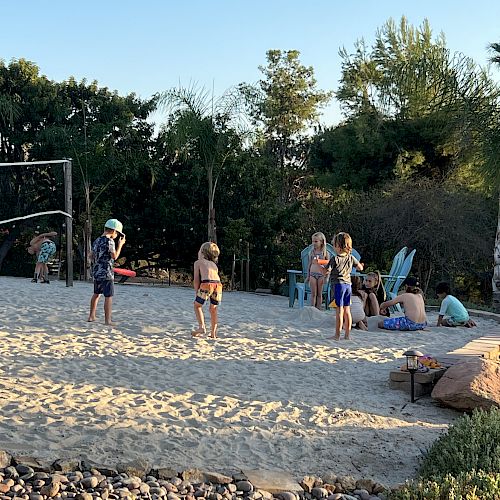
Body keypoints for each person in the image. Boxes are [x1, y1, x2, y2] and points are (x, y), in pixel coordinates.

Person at [324, 232, 364, 340]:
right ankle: (347, 335)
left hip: (338, 285)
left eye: (334, 245)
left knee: (339, 311)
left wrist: (321, 268)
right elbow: (360, 267)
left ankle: (337, 335)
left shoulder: (334, 259)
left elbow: (326, 271)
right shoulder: (351, 257)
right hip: (348, 285)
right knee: (347, 311)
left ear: (338, 246)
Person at [88, 219, 126, 325]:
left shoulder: (97, 240)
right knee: (108, 296)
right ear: (114, 231)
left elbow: (91, 255)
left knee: (96, 294)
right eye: (117, 233)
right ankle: (108, 320)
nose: (117, 235)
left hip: (97, 271)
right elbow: (114, 256)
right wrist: (120, 245)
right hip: (107, 272)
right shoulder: (110, 241)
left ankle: (91, 316)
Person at [192, 242, 222, 339]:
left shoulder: (198, 262)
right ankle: (213, 333)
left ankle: (201, 327)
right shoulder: (214, 264)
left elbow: (196, 279)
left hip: (206, 283)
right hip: (218, 285)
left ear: (203, 253)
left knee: (197, 305)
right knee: (213, 309)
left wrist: (197, 291)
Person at [306, 232, 331, 309]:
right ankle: (312, 308)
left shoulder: (325, 253)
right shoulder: (312, 252)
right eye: (313, 241)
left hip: (321, 275)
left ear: (322, 242)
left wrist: (320, 261)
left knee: (319, 294)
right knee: (313, 293)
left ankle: (319, 308)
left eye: (316, 241)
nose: (314, 243)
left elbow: (329, 264)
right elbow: (309, 265)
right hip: (312, 274)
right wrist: (308, 276)